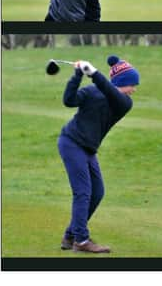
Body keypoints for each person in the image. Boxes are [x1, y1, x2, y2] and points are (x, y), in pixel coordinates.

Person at [58, 55, 139, 253]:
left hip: (88, 149)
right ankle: (81, 240)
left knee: (98, 192)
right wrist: (77, 75)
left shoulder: (124, 102)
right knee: (83, 192)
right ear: (121, 81)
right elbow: (69, 101)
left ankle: (70, 235)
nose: (134, 89)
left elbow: (110, 93)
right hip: (71, 142)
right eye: (132, 84)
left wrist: (94, 73)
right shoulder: (91, 92)